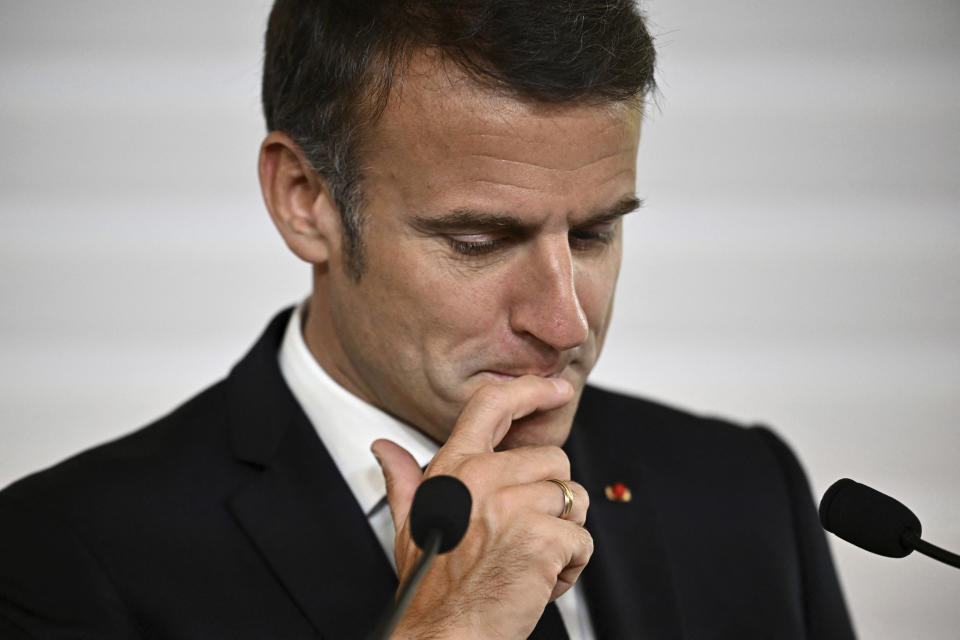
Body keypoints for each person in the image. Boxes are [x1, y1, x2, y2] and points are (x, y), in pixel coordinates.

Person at [0, 1, 856, 638]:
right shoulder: (61, 558)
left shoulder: (749, 492)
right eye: (481, 240)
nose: (564, 324)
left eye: (595, 231)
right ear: (306, 201)